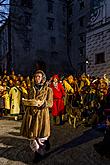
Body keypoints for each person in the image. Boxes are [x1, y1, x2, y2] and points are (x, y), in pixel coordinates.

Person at [20, 70, 53, 163]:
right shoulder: (31, 88)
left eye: (39, 76)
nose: (37, 78)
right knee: (32, 137)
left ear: (43, 78)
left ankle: (38, 154)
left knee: (41, 137)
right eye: (35, 77)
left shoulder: (48, 90)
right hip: (31, 115)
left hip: (42, 116)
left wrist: (43, 104)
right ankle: (38, 151)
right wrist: (26, 102)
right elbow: (29, 100)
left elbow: (50, 103)